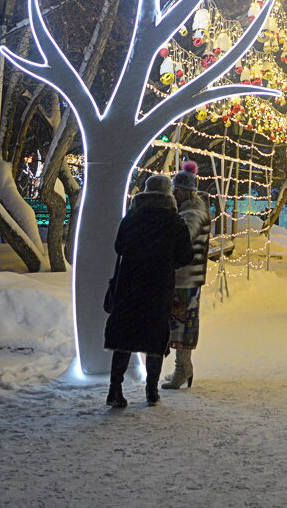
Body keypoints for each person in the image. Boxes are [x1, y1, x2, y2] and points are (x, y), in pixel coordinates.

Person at [104, 174, 193, 408]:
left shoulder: (131, 217)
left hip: (129, 284)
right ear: (168, 194)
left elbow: (119, 246)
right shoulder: (175, 221)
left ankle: (115, 389)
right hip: (158, 286)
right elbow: (186, 255)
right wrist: (166, 260)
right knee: (155, 337)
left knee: (124, 336)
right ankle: (151, 392)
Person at [163, 161, 209, 390]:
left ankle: (183, 369)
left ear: (186, 191)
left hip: (186, 277)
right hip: (183, 276)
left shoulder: (193, 212)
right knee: (178, 323)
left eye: (177, 191)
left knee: (183, 325)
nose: (174, 194)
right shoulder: (189, 209)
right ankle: (182, 367)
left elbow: (184, 237)